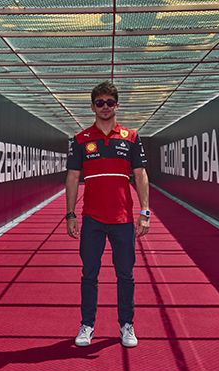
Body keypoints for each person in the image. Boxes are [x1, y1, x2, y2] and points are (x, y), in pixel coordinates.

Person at [65, 81, 150, 348]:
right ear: (92, 107)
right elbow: (72, 177)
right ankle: (87, 325)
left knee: (125, 275)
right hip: (92, 219)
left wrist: (144, 211)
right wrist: (70, 214)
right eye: (99, 103)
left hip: (123, 220)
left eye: (110, 102)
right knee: (89, 274)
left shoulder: (131, 137)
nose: (105, 107)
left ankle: (126, 325)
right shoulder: (80, 139)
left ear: (117, 106)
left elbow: (140, 175)